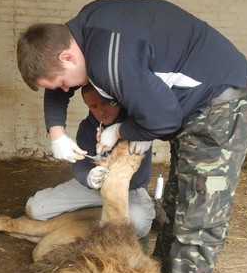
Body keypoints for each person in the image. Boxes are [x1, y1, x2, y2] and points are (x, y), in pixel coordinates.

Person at [16, 0, 247, 273]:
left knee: (198, 218)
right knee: (175, 204)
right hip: (191, 107)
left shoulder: (110, 61)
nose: (66, 90)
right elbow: (63, 85)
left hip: (219, 106)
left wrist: (119, 130)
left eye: (62, 83)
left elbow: (164, 120)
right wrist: (56, 133)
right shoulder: (84, 29)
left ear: (67, 57)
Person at [25, 84, 156, 240]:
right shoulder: (87, 127)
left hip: (128, 191)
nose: (101, 111)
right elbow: (80, 166)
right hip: (92, 190)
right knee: (35, 209)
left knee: (138, 225)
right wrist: (89, 177)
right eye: (93, 106)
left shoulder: (136, 125)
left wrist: (134, 133)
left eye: (105, 103)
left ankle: (98, 214)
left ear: (115, 100)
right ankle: (98, 212)